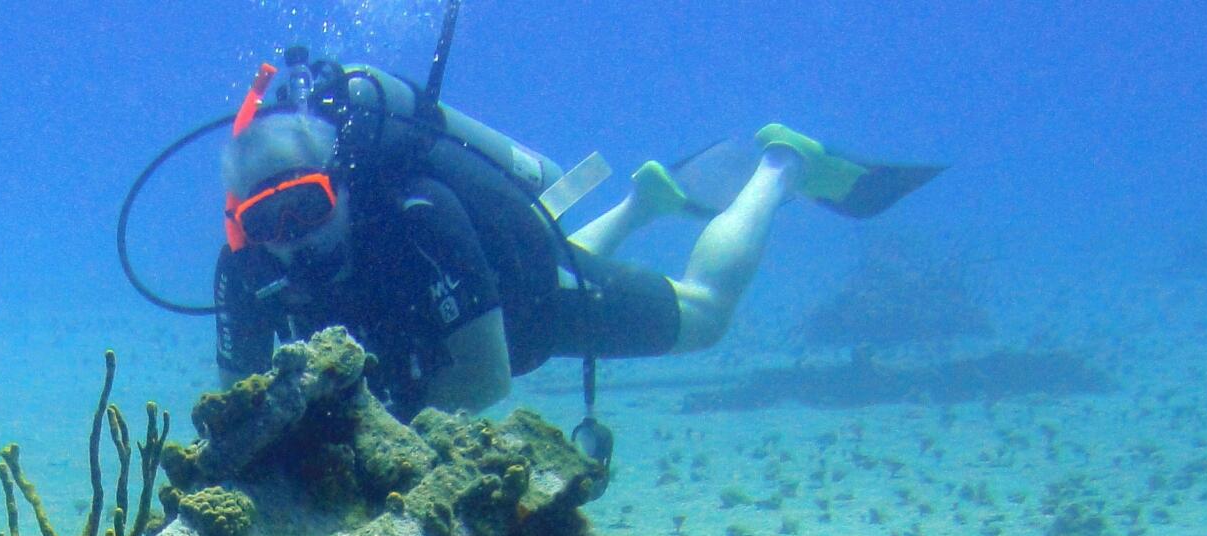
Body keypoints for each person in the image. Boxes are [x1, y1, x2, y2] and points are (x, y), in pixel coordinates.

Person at [212, 51, 942, 421]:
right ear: (239, 227)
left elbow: (485, 380)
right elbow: (238, 399)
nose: (293, 241)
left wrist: (366, 436)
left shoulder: (419, 217)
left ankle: (782, 166)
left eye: (305, 208)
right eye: (266, 224)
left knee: (704, 315)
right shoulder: (244, 269)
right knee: (569, 258)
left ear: (338, 182)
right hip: (486, 293)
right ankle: (641, 203)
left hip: (530, 308)